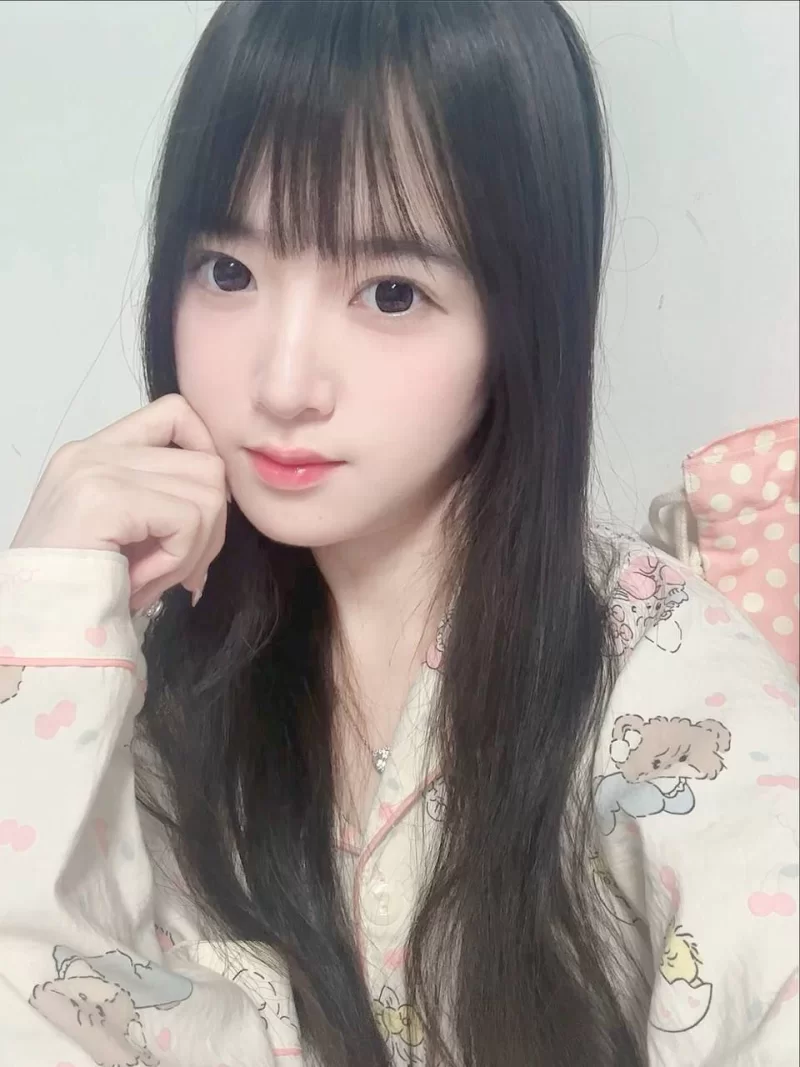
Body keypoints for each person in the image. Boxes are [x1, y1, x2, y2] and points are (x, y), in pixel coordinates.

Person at [0, 1, 797, 1065]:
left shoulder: (657, 673)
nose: (283, 384)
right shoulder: (156, 683)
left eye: (389, 292)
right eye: (228, 271)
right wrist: (46, 620)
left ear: (518, 322)